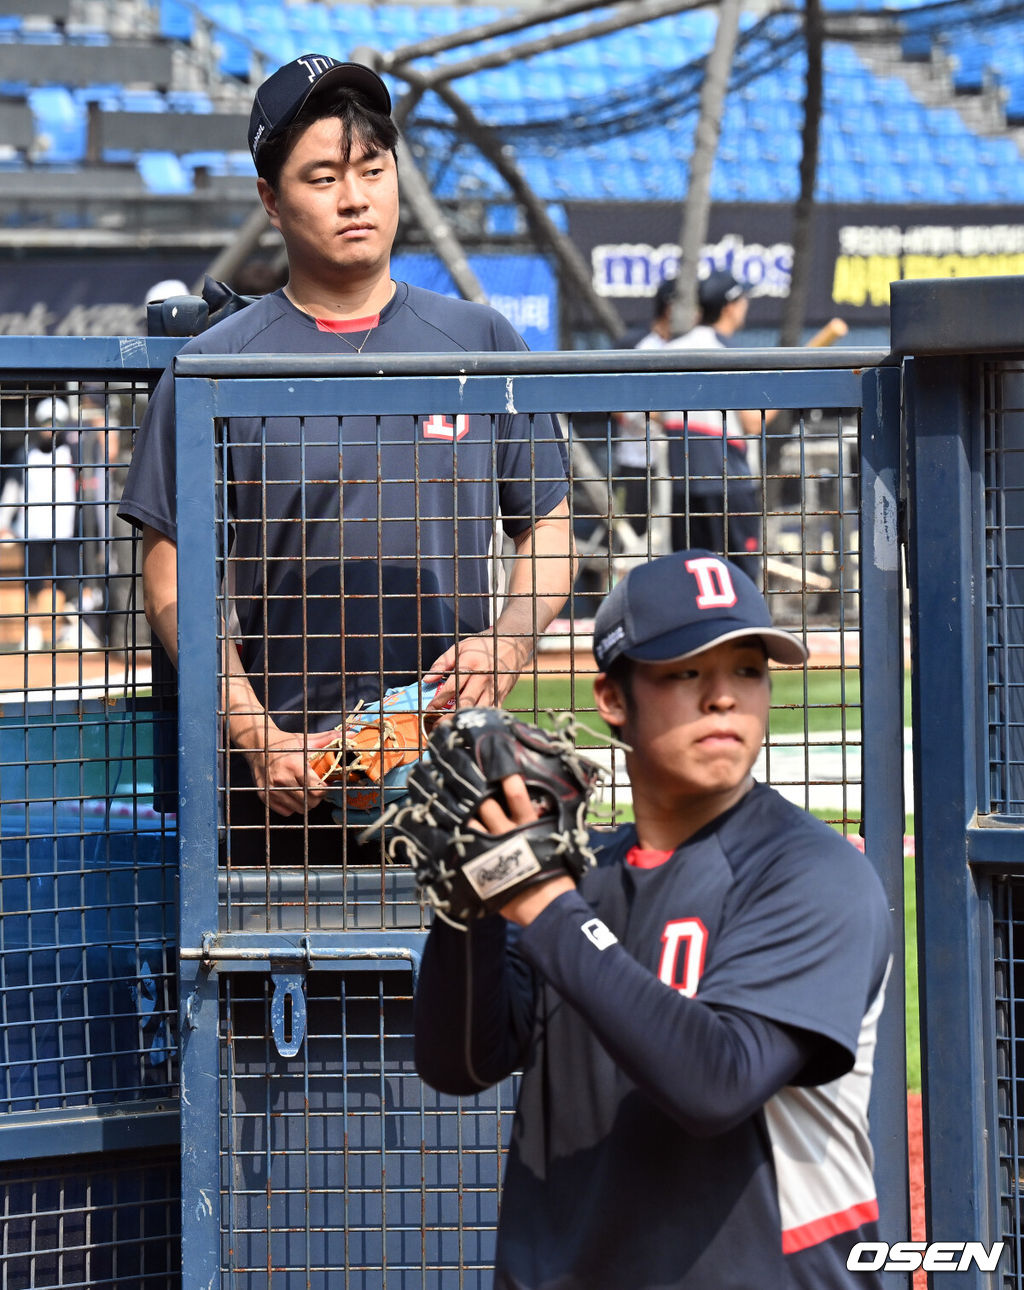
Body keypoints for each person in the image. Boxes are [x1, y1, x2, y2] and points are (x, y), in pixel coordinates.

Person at [117, 54, 574, 864]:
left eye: (372, 169)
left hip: (451, 776)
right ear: (271, 200)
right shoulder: (214, 364)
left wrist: (507, 643)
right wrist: (254, 730)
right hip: (277, 787)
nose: (356, 197)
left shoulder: (481, 341)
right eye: (323, 176)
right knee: (278, 987)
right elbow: (168, 569)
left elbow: (549, 531)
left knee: (461, 988)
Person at [414, 549, 893, 1289]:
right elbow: (460, 1065)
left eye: (747, 670)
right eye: (685, 673)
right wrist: (466, 909)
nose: (724, 699)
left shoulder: (812, 874)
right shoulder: (581, 884)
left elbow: (719, 1082)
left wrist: (538, 900)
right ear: (612, 697)